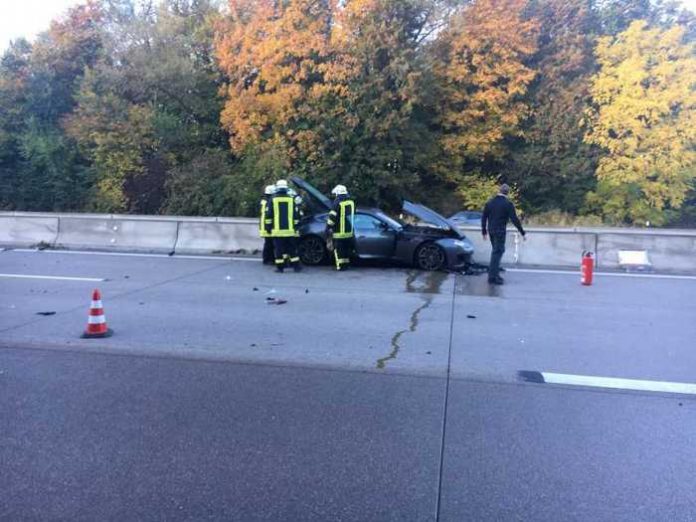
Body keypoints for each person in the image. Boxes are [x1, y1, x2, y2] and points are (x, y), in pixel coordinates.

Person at [481, 183, 526, 285]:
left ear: (499, 191)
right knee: (498, 252)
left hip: (491, 230)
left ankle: (495, 274)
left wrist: (484, 231)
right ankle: (492, 277)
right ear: (508, 193)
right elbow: (514, 219)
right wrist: (522, 232)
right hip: (500, 231)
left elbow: (484, 217)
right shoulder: (508, 204)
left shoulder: (490, 202)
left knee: (496, 252)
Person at [267, 179, 302, 273]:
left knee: (279, 250)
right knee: (292, 249)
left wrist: (268, 228)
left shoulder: (273, 199)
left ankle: (280, 268)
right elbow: (296, 215)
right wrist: (296, 227)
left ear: (277, 188)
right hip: (290, 231)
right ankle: (296, 267)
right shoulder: (291, 199)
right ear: (286, 188)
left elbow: (269, 215)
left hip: (277, 231)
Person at [326, 184, 355, 271]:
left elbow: (332, 216)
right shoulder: (351, 202)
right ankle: (346, 265)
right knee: (346, 249)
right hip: (349, 231)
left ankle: (340, 266)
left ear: (338, 193)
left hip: (339, 232)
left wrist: (328, 227)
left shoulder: (337, 202)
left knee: (338, 250)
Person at [259, 185, 275, 264]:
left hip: (264, 225)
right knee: (269, 244)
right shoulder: (268, 202)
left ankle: (267, 259)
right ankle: (268, 259)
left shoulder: (264, 201)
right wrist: (269, 227)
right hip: (266, 226)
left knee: (268, 243)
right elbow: (268, 215)